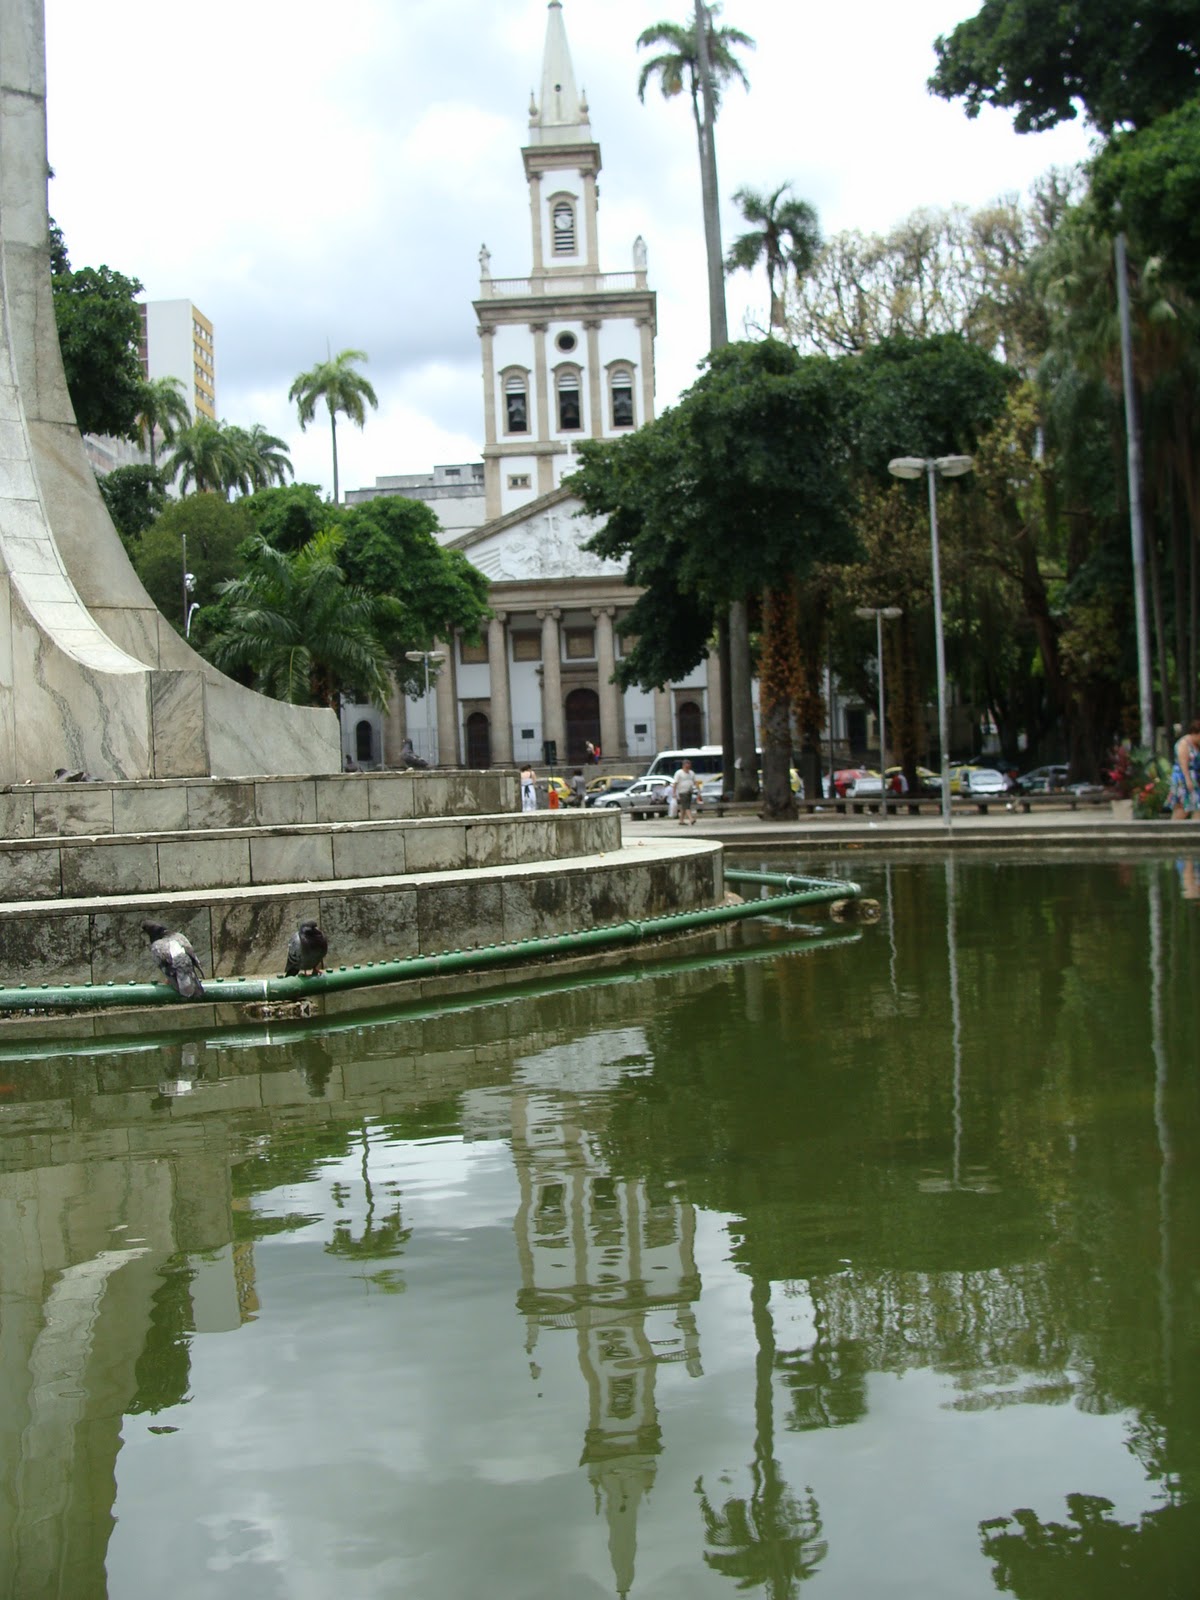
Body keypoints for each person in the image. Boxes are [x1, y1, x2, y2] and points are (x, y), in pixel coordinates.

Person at [1166, 719, 1200, 819]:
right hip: (1183, 778)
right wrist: (1188, 779)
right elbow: (1183, 763)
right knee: (1182, 807)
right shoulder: (1184, 744)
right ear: (1195, 733)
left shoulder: (1197, 745)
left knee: (1197, 806)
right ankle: (1173, 831)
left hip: (1196, 777)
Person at [672, 758, 698, 825]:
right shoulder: (679, 773)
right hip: (682, 792)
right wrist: (674, 793)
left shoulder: (691, 773)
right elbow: (675, 783)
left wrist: (698, 790)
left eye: (689, 766)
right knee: (686, 806)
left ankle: (681, 821)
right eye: (687, 766)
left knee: (684, 806)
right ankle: (691, 819)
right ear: (683, 765)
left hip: (690, 791)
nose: (688, 767)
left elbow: (695, 781)